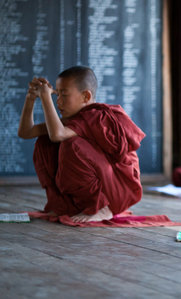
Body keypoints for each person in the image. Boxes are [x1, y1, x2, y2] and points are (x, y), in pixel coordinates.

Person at [18, 66, 145, 223]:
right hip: (105, 182)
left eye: (64, 95)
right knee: (44, 142)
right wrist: (31, 98)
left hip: (118, 189)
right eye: (56, 95)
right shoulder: (73, 120)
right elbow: (26, 132)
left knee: (72, 144)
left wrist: (45, 98)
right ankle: (62, 206)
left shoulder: (96, 116)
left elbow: (58, 135)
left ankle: (101, 208)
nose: (58, 101)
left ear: (86, 96)